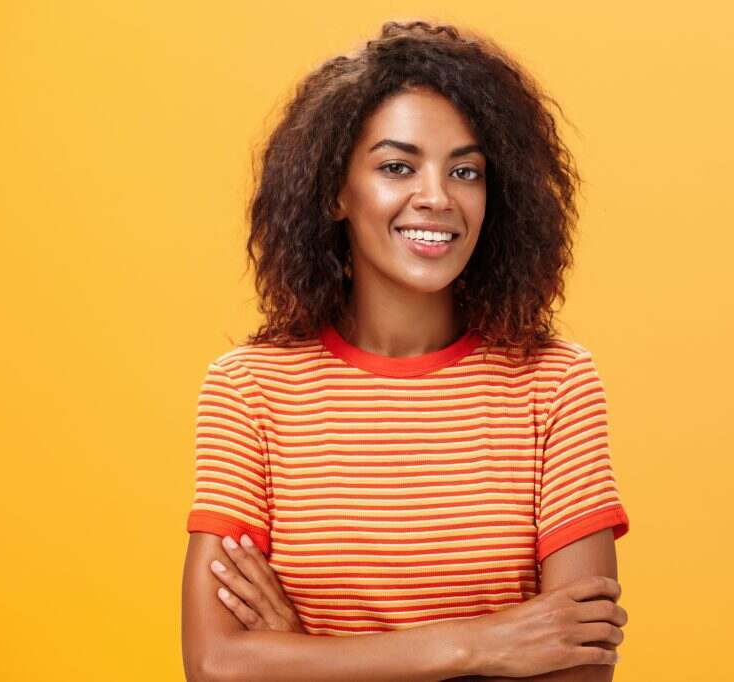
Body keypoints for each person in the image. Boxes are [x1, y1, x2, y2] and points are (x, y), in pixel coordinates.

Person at [181, 19, 631, 682]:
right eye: (398, 167)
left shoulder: (555, 384)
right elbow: (216, 663)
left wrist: (303, 654)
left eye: (465, 171)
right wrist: (482, 644)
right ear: (335, 191)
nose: (437, 198)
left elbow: (579, 669)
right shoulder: (250, 391)